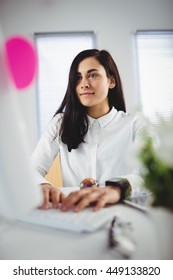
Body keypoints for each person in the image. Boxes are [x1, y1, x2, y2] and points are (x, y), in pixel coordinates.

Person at [32, 49, 146, 212]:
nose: (84, 84)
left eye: (92, 75)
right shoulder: (60, 123)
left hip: (121, 212)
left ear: (111, 81)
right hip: (74, 212)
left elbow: (150, 176)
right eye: (78, 78)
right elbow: (31, 169)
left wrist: (116, 189)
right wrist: (42, 185)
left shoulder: (136, 123)